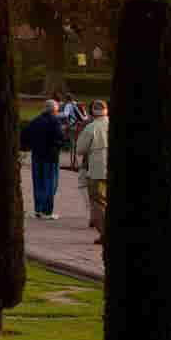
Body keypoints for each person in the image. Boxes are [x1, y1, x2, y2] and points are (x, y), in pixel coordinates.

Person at [22, 99, 65, 220]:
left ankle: (38, 210)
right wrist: (60, 145)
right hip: (50, 157)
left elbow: (24, 135)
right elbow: (61, 138)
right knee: (50, 184)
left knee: (38, 184)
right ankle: (47, 211)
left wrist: (30, 146)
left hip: (36, 156)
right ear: (54, 110)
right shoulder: (55, 122)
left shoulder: (35, 120)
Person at [74, 100, 108, 243]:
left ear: (93, 111)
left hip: (97, 170)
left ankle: (105, 233)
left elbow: (80, 149)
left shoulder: (91, 127)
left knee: (98, 202)